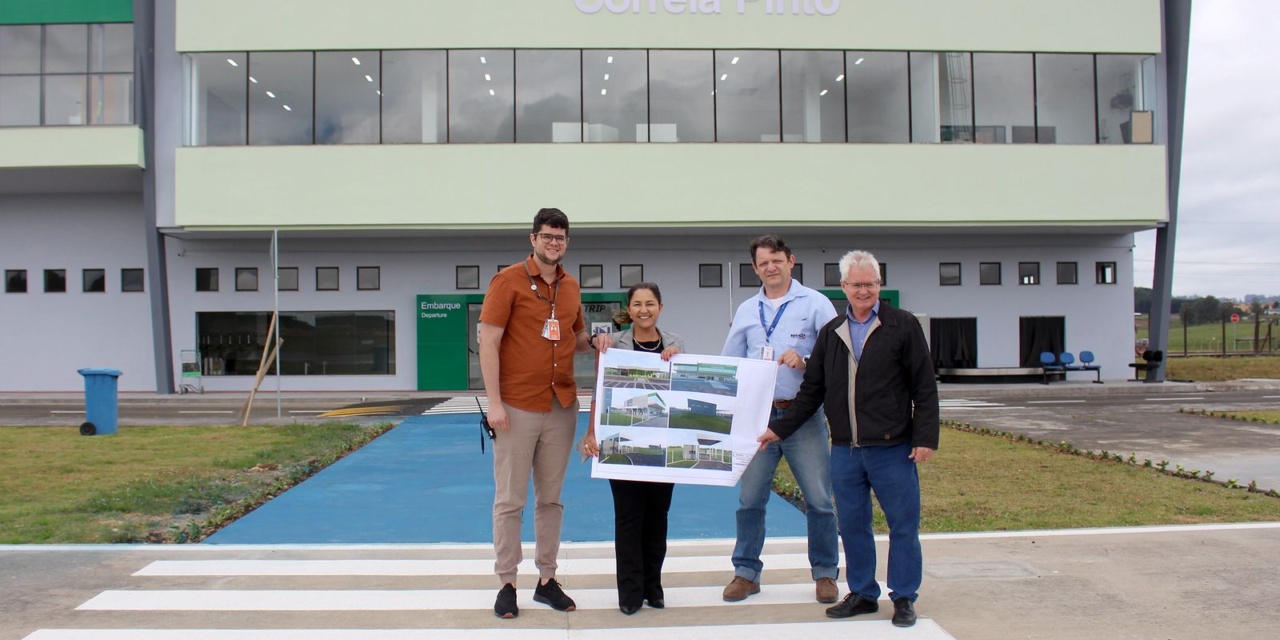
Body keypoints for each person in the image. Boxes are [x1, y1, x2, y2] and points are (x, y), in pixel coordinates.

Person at [758, 249, 939, 628]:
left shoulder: (902, 326)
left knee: (902, 525)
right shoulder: (831, 333)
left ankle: (904, 596)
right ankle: (862, 593)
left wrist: (925, 437)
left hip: (893, 448)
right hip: (845, 450)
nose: (864, 290)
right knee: (853, 525)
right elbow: (812, 391)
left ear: (879, 285)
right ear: (843, 287)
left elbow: (924, 387)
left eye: (870, 283)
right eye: (856, 284)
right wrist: (779, 429)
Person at [478, 207, 595, 619]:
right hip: (516, 405)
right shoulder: (507, 281)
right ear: (533, 238)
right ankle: (507, 583)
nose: (553, 244)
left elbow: (577, 339)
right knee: (510, 500)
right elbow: (488, 342)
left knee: (552, 500)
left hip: (561, 407)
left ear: (567, 242)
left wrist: (602, 344)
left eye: (560, 238)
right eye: (547, 236)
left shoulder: (572, 288)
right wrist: (493, 403)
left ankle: (547, 579)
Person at [720, 234, 840, 604]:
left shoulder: (816, 304)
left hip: (801, 416)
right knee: (750, 500)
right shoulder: (746, 310)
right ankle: (746, 572)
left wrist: (804, 361)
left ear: (791, 260)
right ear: (755, 268)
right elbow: (729, 364)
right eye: (763, 262)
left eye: (777, 259)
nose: (771, 267)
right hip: (758, 420)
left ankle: (825, 574)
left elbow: (837, 356)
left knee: (819, 499)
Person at [582, 282, 684, 615]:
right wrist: (591, 432)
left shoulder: (675, 344)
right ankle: (629, 592)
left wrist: (678, 363)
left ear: (661, 307)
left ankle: (653, 587)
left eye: (650, 303)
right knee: (628, 517)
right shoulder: (613, 344)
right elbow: (600, 392)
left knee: (658, 517)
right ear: (629, 309)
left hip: (663, 447)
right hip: (622, 444)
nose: (644, 309)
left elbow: (684, 391)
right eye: (637, 304)